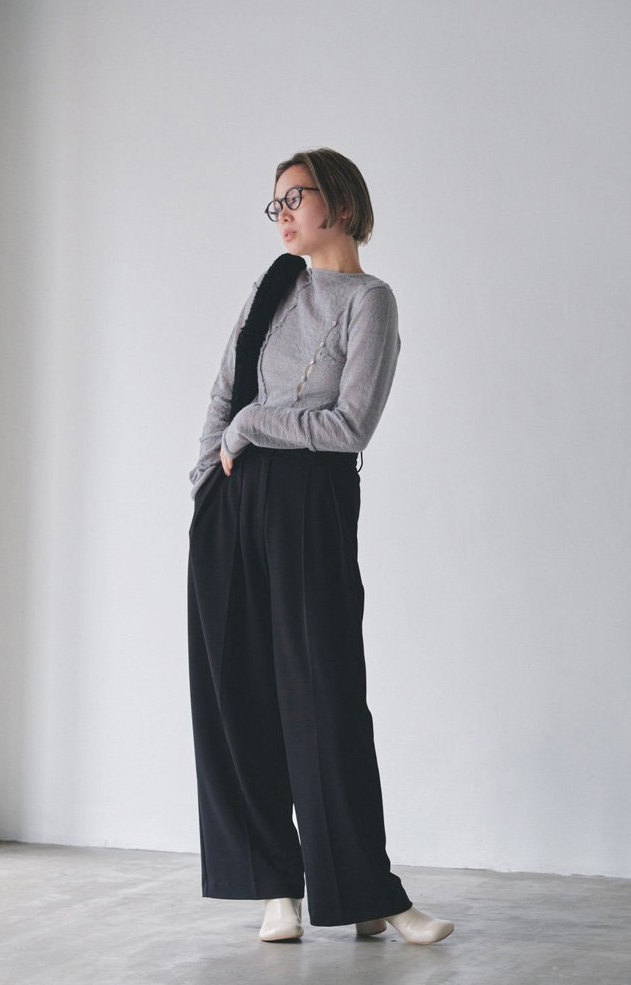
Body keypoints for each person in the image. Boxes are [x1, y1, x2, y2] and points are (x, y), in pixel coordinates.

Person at [187, 147, 454, 945]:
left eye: (295, 197)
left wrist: (251, 426)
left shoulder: (370, 302)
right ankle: (277, 886)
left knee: (324, 697)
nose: (283, 214)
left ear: (339, 200)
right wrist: (204, 483)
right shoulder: (273, 287)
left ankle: (368, 891)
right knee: (237, 695)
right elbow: (224, 388)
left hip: (310, 505)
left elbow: (349, 426)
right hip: (232, 501)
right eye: (274, 203)